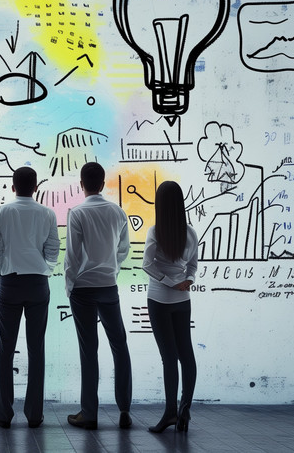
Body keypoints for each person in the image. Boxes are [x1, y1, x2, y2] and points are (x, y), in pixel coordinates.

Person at [0, 166, 60, 429]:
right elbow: (53, 249)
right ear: (36, 187)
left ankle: (4, 414)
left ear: (12, 186)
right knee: (36, 348)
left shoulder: (2, 211)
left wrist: (2, 270)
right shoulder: (47, 213)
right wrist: (45, 270)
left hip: (10, 282)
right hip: (38, 283)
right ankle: (34, 415)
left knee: (5, 348)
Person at [63, 162, 133, 430]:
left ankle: (89, 413)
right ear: (103, 184)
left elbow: (73, 255)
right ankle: (124, 408)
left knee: (88, 350)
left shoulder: (77, 213)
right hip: (107, 286)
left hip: (83, 288)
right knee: (119, 345)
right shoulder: (118, 212)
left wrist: (70, 285)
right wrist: (111, 271)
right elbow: (123, 250)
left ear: (82, 184)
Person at [142, 180, 198, 433]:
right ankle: (184, 410)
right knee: (186, 355)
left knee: (169, 358)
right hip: (182, 302)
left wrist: (170, 282)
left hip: (159, 300)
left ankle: (170, 413)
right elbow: (193, 266)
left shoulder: (155, 231)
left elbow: (147, 265)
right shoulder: (191, 232)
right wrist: (186, 281)